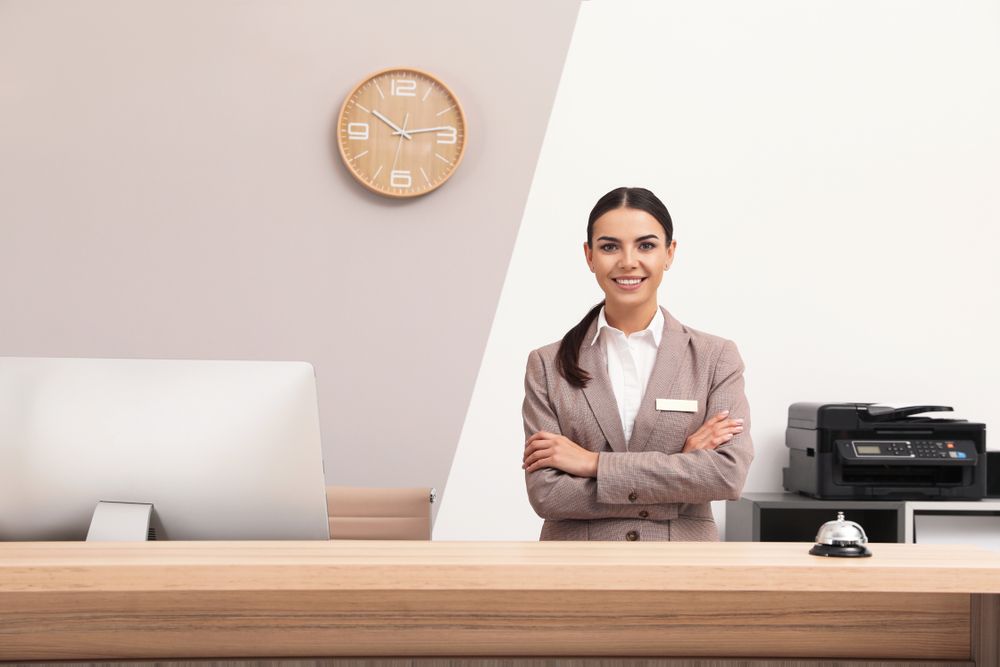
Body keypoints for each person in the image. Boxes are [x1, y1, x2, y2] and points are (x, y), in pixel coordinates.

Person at [521, 187, 753, 541]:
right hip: (577, 571)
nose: (628, 261)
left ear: (669, 253)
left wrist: (592, 464)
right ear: (589, 256)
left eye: (646, 245)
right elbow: (548, 495)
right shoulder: (547, 365)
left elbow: (726, 475)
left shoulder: (715, 358)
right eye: (610, 246)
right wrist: (681, 465)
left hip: (684, 571)